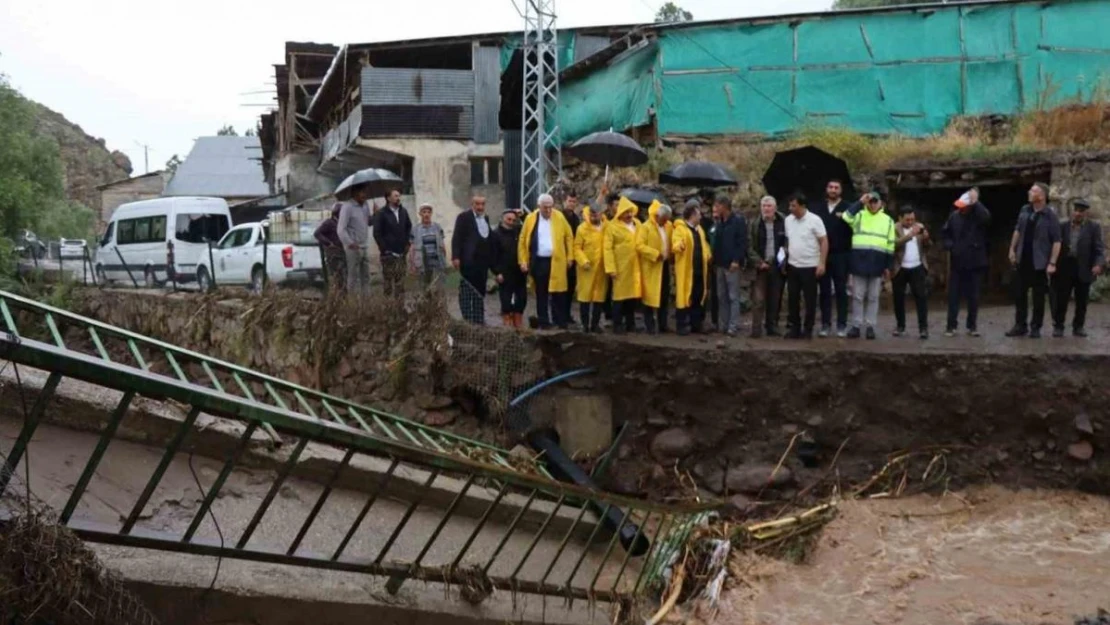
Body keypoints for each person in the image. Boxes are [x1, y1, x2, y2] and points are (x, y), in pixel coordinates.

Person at [1006, 182, 1062, 339]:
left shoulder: (1050, 215)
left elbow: (1057, 241)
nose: (1030, 192)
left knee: (1038, 297)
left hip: (1039, 262)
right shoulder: (1025, 210)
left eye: (1033, 190)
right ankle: (1020, 325)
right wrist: (1012, 249)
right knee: (1020, 295)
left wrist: (1052, 263)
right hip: (1022, 258)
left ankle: (1035, 327)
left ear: (1042, 196)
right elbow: (1017, 230)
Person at [842, 191, 896, 340]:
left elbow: (890, 245)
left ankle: (871, 326)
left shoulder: (888, 221)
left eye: (875, 201)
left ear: (881, 203)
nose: (872, 204)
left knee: (873, 297)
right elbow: (846, 217)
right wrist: (860, 202)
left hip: (877, 263)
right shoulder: (859, 215)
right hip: (859, 262)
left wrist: (888, 266)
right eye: (870, 201)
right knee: (858, 296)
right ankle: (856, 326)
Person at [519, 193, 575, 329]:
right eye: (545, 208)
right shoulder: (531, 219)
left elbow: (569, 236)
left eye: (550, 207)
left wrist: (570, 257)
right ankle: (544, 321)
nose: (549, 210)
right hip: (539, 262)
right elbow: (522, 240)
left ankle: (560, 321)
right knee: (541, 292)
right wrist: (523, 260)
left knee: (559, 292)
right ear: (539, 206)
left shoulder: (559, 217)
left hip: (557, 260)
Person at [941, 188, 991, 337]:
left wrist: (976, 202)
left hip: (975, 262)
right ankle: (951, 326)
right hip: (958, 261)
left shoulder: (978, 216)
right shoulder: (954, 217)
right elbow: (945, 233)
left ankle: (972, 326)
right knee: (953, 296)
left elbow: (987, 218)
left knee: (974, 296)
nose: (960, 208)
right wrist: (950, 245)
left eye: (964, 205)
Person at [1052, 199, 1104, 337]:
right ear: (1072, 212)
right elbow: (1054, 245)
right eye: (1076, 211)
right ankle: (1058, 326)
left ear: (1086, 213)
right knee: (1061, 299)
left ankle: (1078, 327)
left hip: (1084, 267)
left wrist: (1098, 264)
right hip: (1064, 267)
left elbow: (1099, 249)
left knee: (1082, 300)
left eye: (1081, 211)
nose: (1078, 214)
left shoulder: (1093, 227)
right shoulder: (1062, 226)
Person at [810, 180, 853, 338]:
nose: (833, 190)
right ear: (826, 189)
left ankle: (841, 324)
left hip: (842, 254)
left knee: (841, 290)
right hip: (822, 255)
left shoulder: (848, 207)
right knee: (825, 291)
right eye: (830, 187)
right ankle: (825, 324)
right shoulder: (817, 208)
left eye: (836, 188)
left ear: (841, 190)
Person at [783, 193, 828, 340]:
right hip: (793, 265)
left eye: (793, 206)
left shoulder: (815, 220)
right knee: (793, 298)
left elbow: (824, 241)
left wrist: (821, 262)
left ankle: (808, 328)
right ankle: (795, 327)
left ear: (802, 206)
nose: (790, 208)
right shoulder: (788, 220)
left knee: (810, 299)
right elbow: (788, 240)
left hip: (810, 265)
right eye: (790, 205)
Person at [746, 195, 786, 337]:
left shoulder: (783, 222)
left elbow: (787, 242)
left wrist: (784, 255)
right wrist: (758, 262)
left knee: (775, 298)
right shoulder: (754, 224)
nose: (766, 209)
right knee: (758, 298)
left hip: (777, 265)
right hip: (760, 267)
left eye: (769, 206)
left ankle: (772, 327)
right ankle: (756, 329)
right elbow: (749, 246)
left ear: (775, 208)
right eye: (764, 206)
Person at [451, 196, 493, 324]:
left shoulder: (486, 218)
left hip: (482, 262)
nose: (480, 207)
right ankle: (467, 318)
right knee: (467, 291)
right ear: (472, 204)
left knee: (480, 291)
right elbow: (456, 237)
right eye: (477, 204)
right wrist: (456, 257)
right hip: (468, 261)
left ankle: (478, 318)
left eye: (482, 204)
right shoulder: (463, 217)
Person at [710, 195, 748, 337]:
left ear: (724, 206)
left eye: (717, 206)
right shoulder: (720, 222)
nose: (715, 208)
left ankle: (733, 326)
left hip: (732, 265)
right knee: (722, 296)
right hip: (720, 264)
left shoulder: (738, 221)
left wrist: (736, 260)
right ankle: (723, 324)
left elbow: (742, 242)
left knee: (733, 296)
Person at [674, 200, 713, 336]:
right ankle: (681, 325)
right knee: (684, 297)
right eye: (698, 214)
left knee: (698, 296)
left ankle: (696, 324)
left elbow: (704, 246)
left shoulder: (700, 230)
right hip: (686, 271)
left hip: (699, 271)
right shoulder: (680, 229)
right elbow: (676, 243)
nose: (701, 217)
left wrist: (708, 255)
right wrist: (679, 246)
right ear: (691, 215)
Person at [604, 198, 643, 334]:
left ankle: (630, 324)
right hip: (620, 267)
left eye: (630, 212)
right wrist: (611, 269)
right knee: (619, 298)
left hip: (635, 267)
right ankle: (617, 324)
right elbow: (607, 249)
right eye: (626, 212)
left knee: (632, 297)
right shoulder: (612, 227)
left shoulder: (637, 224)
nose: (629, 215)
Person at [892, 206, 931, 339]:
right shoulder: (894, 228)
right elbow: (893, 245)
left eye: (912, 219)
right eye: (907, 220)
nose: (910, 222)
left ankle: (923, 328)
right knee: (898, 298)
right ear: (900, 218)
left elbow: (928, 246)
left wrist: (926, 238)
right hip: (900, 267)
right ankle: (900, 326)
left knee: (921, 297)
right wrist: (910, 235)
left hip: (917, 266)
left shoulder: (920, 226)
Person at [636, 202, 672, 334]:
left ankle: (663, 325)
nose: (665, 222)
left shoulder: (667, 226)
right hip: (651, 266)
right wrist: (655, 254)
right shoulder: (646, 227)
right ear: (657, 216)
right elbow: (639, 246)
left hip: (664, 265)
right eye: (664, 220)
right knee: (649, 296)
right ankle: (649, 325)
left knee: (664, 295)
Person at [373, 189, 413, 297]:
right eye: (395, 196)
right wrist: (384, 249)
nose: (398, 198)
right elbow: (377, 233)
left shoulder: (403, 211)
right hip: (388, 255)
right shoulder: (381, 214)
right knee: (388, 283)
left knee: (400, 282)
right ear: (388, 198)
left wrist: (408, 242)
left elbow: (409, 226)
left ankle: (400, 307)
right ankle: (389, 308)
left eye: (399, 196)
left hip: (401, 253)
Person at [574, 205, 607, 333]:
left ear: (601, 214)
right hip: (587, 269)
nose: (594, 217)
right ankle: (584, 324)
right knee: (585, 297)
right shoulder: (582, 229)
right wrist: (583, 261)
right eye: (592, 215)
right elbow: (576, 248)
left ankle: (595, 324)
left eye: (597, 214)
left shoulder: (606, 227)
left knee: (599, 297)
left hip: (601, 268)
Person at [492, 209, 527, 328]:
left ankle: (518, 322)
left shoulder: (518, 231)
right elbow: (492, 256)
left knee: (521, 298)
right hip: (504, 272)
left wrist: (522, 216)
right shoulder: (495, 234)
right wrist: (497, 273)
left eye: (513, 219)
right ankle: (507, 323)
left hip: (519, 271)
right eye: (509, 219)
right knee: (506, 300)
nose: (511, 222)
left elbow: (529, 226)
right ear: (503, 219)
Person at [336, 184, 373, 296]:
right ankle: (353, 304)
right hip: (353, 247)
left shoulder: (365, 205)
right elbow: (340, 229)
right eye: (362, 192)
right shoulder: (347, 207)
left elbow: (368, 222)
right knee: (353, 277)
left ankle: (366, 303)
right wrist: (350, 243)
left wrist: (377, 214)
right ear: (354, 193)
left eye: (365, 192)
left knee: (366, 277)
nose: (364, 195)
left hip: (364, 245)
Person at [411, 203, 448, 289]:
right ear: (420, 214)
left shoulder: (437, 227)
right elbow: (412, 247)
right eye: (424, 212)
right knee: (424, 288)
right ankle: (426, 302)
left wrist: (444, 261)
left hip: (437, 262)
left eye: (428, 212)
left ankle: (439, 302)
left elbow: (442, 245)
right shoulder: (415, 229)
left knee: (438, 287)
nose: (426, 214)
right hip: (422, 263)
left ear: (431, 214)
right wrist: (413, 264)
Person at [314, 203, 347, 293]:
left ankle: (343, 298)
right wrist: (328, 243)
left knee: (344, 278)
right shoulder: (329, 223)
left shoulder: (343, 224)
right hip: (334, 254)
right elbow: (317, 233)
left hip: (343, 253)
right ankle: (338, 298)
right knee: (338, 277)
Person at [561, 192, 582, 325]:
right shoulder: (560, 216)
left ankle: (567, 314)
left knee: (570, 288)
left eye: (574, 201)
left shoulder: (576, 218)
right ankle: (561, 315)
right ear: (565, 201)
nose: (571, 204)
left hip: (573, 256)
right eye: (569, 201)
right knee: (561, 289)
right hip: (562, 255)